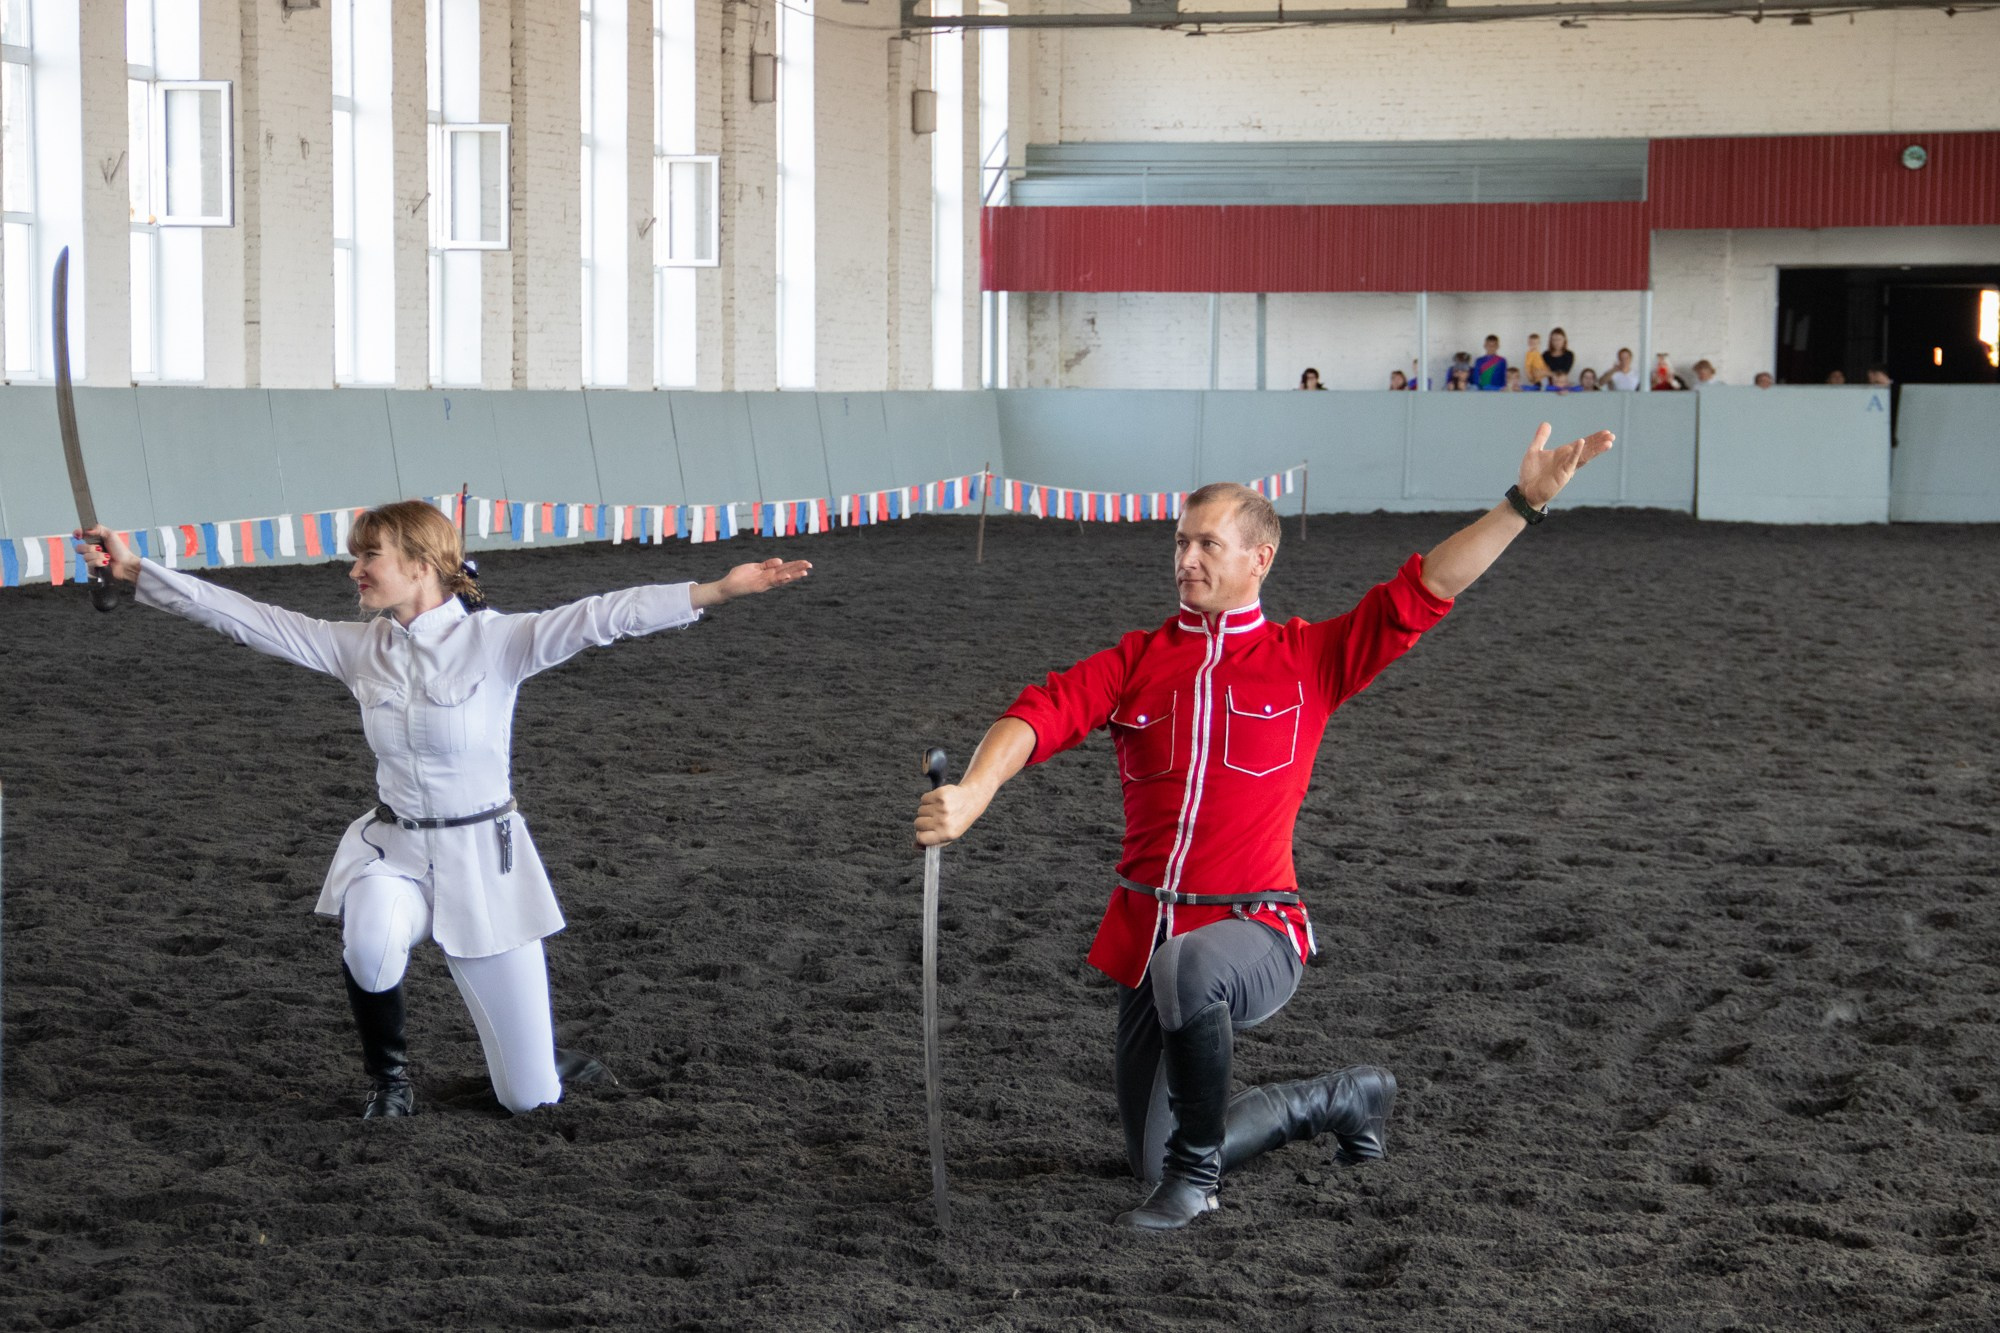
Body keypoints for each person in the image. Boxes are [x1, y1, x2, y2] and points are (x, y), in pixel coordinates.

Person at [913, 423, 1617, 1230]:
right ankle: (1338, 1099)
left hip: (1256, 929)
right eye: (1180, 543)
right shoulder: (1137, 660)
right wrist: (972, 790)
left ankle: (1195, 1183)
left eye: (1207, 544)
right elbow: (1037, 712)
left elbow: (1427, 588)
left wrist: (1523, 503)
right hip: (1149, 942)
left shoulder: (1310, 657)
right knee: (1150, 1150)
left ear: (1260, 559)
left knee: (1189, 1002)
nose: (1186, 561)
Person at [74, 502, 811, 1119]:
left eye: (371, 556)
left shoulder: (501, 642)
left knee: (528, 1099)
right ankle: (389, 1083)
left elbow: (602, 616)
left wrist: (712, 590)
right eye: (355, 557)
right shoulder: (357, 648)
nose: (355, 571)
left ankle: (534, 1053)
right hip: (392, 851)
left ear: (422, 565)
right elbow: (246, 617)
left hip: (482, 863)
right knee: (367, 935)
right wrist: (139, 573)